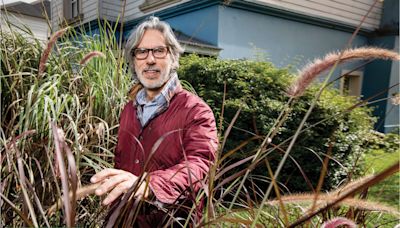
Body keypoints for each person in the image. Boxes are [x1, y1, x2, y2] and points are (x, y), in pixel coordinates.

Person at [90, 16, 218, 227]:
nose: (150, 59)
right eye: (141, 52)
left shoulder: (196, 111)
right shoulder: (129, 110)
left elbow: (200, 166)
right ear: (133, 60)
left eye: (159, 51)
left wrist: (149, 184)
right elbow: (123, 164)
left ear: (173, 57)